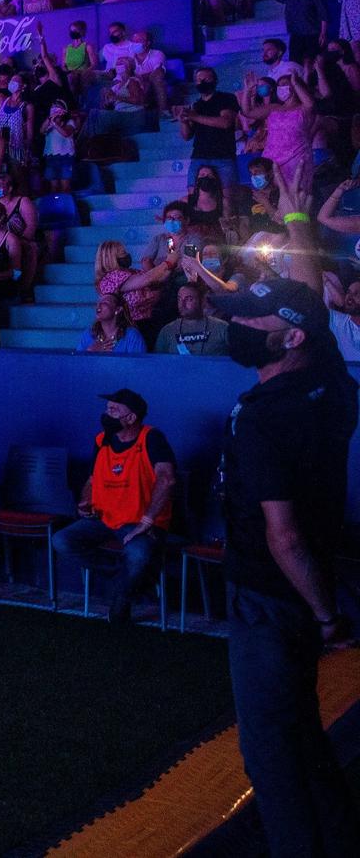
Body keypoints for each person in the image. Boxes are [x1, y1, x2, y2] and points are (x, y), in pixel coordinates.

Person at [211, 277, 359, 854]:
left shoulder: (264, 415)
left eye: (253, 321)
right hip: (303, 591)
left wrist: (329, 618)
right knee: (303, 735)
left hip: (268, 600)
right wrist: (297, 227)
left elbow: (284, 536)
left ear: (291, 338)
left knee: (272, 755)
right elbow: (314, 320)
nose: (238, 327)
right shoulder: (334, 388)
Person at [51, 389, 176, 624]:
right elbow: (91, 480)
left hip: (139, 524)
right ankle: (123, 580)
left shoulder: (151, 438)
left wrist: (147, 520)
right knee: (62, 540)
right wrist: (84, 502)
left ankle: (122, 596)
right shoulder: (102, 440)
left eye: (114, 410)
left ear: (131, 417)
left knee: (138, 553)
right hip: (104, 518)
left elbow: (167, 478)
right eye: (107, 409)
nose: (107, 413)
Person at [154, 283, 227, 355]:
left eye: (189, 299)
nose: (182, 304)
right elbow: (158, 363)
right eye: (179, 299)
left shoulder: (222, 327)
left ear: (203, 301)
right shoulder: (167, 331)